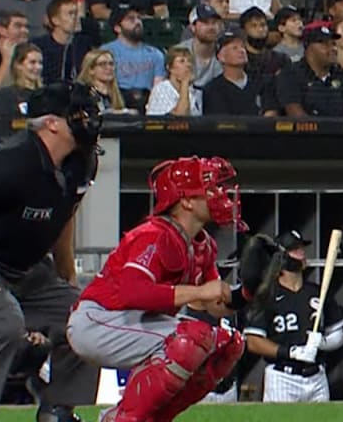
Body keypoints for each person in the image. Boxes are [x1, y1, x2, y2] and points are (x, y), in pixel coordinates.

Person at [0, 82, 103, 422]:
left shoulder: (80, 163)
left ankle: (58, 411)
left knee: (86, 316)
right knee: (2, 320)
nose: (89, 120)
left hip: (29, 269)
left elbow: (64, 218)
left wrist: (67, 277)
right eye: (79, 114)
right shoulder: (8, 164)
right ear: (52, 123)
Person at [66, 156, 246, 422]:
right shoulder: (154, 233)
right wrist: (199, 292)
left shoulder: (203, 244)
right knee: (192, 337)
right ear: (185, 200)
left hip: (134, 323)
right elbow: (133, 293)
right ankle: (120, 419)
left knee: (229, 344)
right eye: (211, 189)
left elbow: (215, 305)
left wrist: (246, 293)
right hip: (98, 320)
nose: (221, 195)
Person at [243, 229, 343, 403]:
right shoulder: (267, 295)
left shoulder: (317, 292)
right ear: (282, 257)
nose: (302, 254)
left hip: (317, 376)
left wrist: (321, 343)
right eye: (295, 250)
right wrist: (291, 352)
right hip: (283, 377)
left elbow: (338, 334)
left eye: (301, 249)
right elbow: (253, 342)